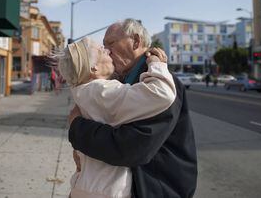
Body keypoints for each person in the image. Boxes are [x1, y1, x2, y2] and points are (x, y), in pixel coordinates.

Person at [68, 19, 197, 198]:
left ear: (136, 41)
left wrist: (76, 127)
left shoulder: (161, 83)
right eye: (103, 47)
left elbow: (130, 148)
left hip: (156, 188)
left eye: (110, 43)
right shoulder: (121, 81)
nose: (106, 51)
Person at [57, 37, 176, 197]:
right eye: (101, 50)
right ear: (93, 68)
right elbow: (162, 93)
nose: (108, 51)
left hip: (86, 185)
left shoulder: (82, 92)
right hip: (106, 190)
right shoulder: (101, 90)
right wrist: (157, 64)